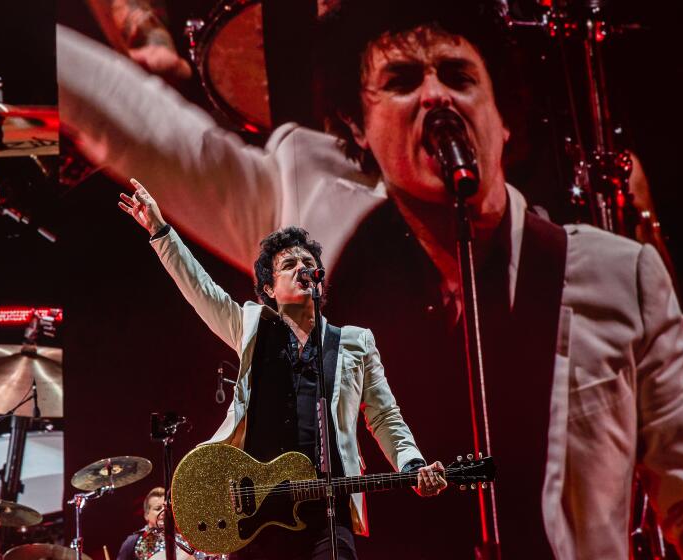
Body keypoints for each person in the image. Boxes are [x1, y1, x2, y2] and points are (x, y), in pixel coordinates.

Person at [59, 0, 683, 557]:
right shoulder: (313, 233)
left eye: (459, 75)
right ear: (359, 128)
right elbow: (151, 131)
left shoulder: (616, 274)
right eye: (402, 81)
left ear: (503, 117)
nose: (436, 95)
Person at [118, 179, 447, 559]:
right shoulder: (252, 328)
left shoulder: (355, 343)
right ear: (269, 289)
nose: (302, 268)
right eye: (288, 265)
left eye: (309, 263)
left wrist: (411, 463)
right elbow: (201, 289)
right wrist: (161, 232)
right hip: (258, 511)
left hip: (327, 509)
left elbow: (384, 415)